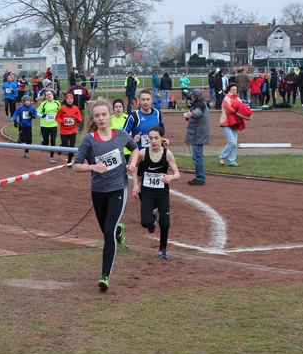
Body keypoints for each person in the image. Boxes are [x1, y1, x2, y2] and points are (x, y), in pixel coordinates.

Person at [72, 99, 137, 292]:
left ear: (110, 115)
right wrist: (93, 167)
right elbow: (76, 166)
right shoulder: (89, 140)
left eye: (104, 115)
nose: (101, 118)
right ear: (93, 118)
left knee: (108, 231)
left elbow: (135, 149)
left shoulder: (121, 135)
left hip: (118, 189)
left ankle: (104, 276)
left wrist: (133, 163)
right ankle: (119, 232)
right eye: (97, 116)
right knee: (108, 231)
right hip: (98, 191)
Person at [131, 125, 180, 260]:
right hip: (147, 192)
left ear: (162, 138)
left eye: (156, 138)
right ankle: (153, 218)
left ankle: (163, 249)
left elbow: (177, 174)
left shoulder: (167, 154)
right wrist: (135, 184)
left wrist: (170, 177)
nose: (153, 141)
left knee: (165, 223)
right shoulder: (143, 153)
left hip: (162, 192)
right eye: (151, 138)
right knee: (145, 222)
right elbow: (133, 166)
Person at [218, 82, 252, 167]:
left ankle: (231, 161)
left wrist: (247, 112)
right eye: (232, 90)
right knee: (232, 142)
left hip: (234, 122)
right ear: (229, 90)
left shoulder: (238, 99)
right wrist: (240, 113)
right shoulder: (226, 99)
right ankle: (222, 156)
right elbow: (230, 109)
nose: (234, 91)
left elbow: (242, 108)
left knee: (234, 143)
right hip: (226, 122)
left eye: (235, 90)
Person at [184, 88, 210, 186]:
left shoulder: (199, 104)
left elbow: (197, 113)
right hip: (199, 133)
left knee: (197, 157)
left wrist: (191, 114)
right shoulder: (201, 103)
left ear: (193, 96)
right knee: (198, 156)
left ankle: (200, 178)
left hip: (198, 134)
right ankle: (199, 176)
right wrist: (190, 116)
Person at [57, 93, 83, 165]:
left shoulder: (76, 108)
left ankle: (69, 162)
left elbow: (80, 120)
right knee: (65, 147)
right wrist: (62, 121)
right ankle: (61, 146)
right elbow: (57, 118)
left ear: (73, 99)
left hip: (73, 131)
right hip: (64, 131)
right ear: (66, 100)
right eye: (68, 99)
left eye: (71, 99)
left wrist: (76, 117)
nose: (70, 100)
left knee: (72, 147)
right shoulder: (62, 108)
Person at [36, 89, 61, 164]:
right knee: (46, 143)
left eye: (50, 94)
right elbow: (37, 112)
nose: (49, 96)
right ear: (45, 97)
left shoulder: (57, 103)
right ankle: (43, 141)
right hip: (44, 125)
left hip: (54, 125)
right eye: (47, 95)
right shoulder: (43, 104)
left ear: (52, 95)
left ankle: (52, 157)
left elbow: (61, 112)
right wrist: (41, 115)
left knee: (53, 141)